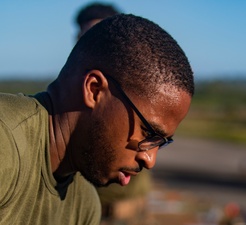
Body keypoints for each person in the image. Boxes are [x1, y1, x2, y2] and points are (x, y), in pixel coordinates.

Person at [0, 13, 194, 225]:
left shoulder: (84, 205)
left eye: (161, 143)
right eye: (148, 133)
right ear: (94, 90)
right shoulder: (6, 143)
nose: (149, 160)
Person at [74, 3, 155, 222]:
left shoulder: (140, 89)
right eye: (85, 36)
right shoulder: (69, 92)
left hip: (128, 212)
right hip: (86, 211)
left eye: (100, 36)